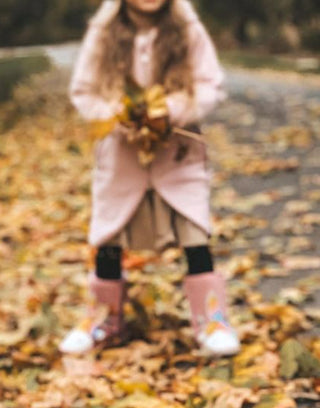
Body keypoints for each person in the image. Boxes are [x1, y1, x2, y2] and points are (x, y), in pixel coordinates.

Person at [60, 0, 239, 356]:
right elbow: (85, 91)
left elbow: (210, 84)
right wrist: (115, 114)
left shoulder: (189, 30)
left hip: (177, 153)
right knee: (110, 233)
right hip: (121, 154)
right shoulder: (103, 32)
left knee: (194, 230)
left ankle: (211, 317)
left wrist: (172, 110)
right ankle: (103, 318)